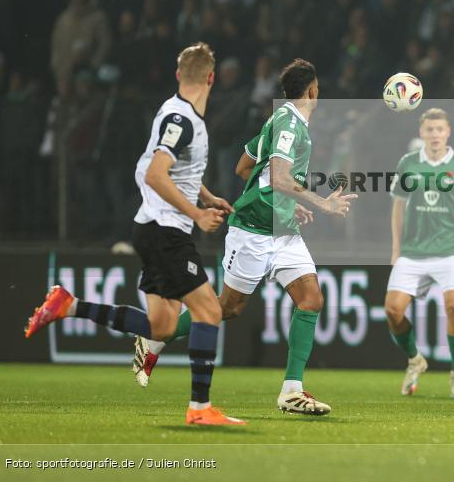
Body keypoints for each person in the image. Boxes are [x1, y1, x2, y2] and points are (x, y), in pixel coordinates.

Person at [26, 43, 245, 426]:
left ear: (179, 75)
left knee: (161, 326)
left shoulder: (173, 111)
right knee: (209, 310)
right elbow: (155, 174)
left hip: (150, 228)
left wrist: (207, 195)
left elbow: (167, 168)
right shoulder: (184, 121)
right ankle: (200, 409)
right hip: (165, 232)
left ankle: (68, 305)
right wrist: (196, 213)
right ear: (211, 78)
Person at [132, 59, 357, 415]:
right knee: (227, 308)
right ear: (313, 91)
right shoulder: (289, 125)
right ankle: (154, 338)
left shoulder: (280, 120)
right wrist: (321, 204)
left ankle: (291, 391)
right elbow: (281, 178)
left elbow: (244, 167)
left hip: (283, 232)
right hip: (252, 231)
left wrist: (286, 205)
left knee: (311, 298)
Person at [385, 108, 454, 398]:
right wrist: (395, 250)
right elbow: (398, 207)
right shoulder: (408, 164)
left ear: (448, 132)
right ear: (422, 133)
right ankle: (415, 359)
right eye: (430, 130)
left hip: (452, 248)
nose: (435, 135)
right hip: (413, 250)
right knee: (392, 310)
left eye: (440, 129)